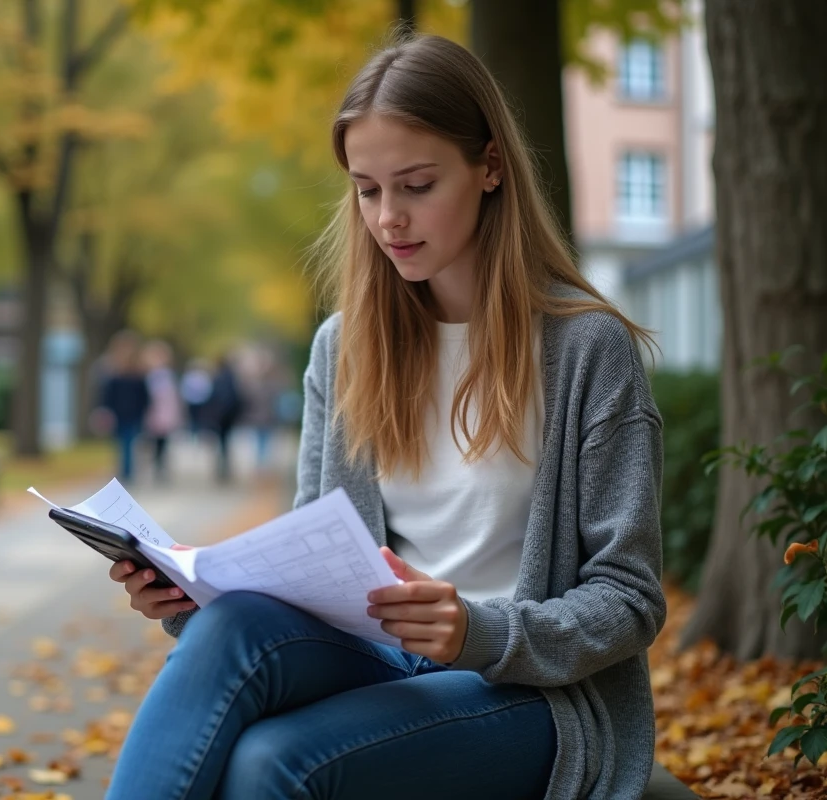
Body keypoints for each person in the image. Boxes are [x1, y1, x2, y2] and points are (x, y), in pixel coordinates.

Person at [105, 33, 665, 800]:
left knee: (270, 764)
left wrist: (480, 630)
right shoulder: (344, 348)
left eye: (416, 185)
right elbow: (310, 554)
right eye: (368, 190)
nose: (389, 218)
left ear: (490, 167)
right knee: (229, 631)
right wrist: (192, 596)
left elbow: (630, 599)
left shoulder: (586, 349)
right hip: (381, 654)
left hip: (532, 691)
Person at [93, 330, 150, 484]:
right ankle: (125, 471)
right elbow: (107, 394)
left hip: (131, 414)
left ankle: (127, 472)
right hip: (119, 414)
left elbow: (144, 396)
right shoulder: (113, 371)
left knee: (128, 442)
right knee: (123, 443)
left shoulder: (137, 372)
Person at [141, 339, 184, 483]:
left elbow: (172, 397)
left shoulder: (167, 375)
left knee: (163, 442)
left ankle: (161, 466)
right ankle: (157, 465)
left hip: (165, 413)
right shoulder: (149, 375)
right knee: (155, 442)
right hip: (154, 413)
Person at [205, 353, 245, 483]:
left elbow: (211, 397)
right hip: (228, 416)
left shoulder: (216, 378)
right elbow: (237, 397)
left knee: (220, 442)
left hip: (219, 416)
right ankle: (225, 467)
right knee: (226, 442)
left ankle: (221, 467)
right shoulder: (232, 378)